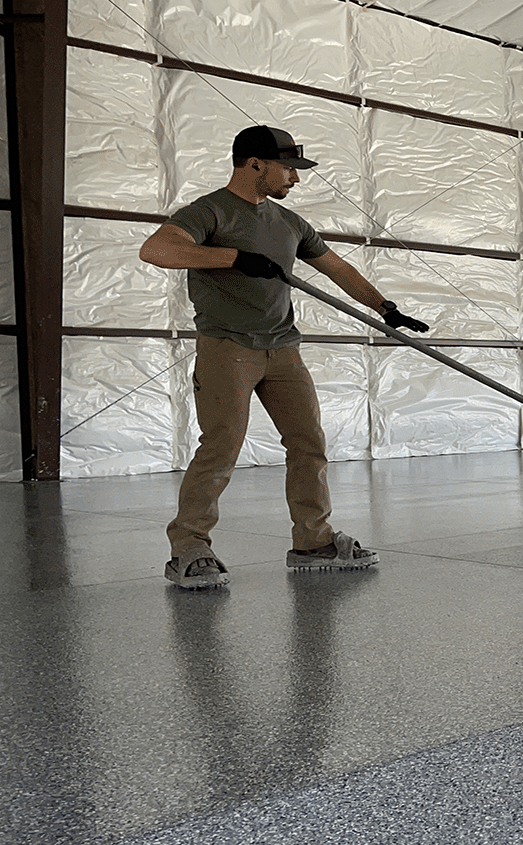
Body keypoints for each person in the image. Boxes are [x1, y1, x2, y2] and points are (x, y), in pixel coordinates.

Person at [140, 125, 430, 589]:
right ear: (255, 164)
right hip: (228, 348)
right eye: (288, 168)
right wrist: (231, 258)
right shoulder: (209, 211)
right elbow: (155, 249)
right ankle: (189, 548)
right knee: (220, 449)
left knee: (308, 443)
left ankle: (313, 541)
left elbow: (336, 266)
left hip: (284, 350)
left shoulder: (290, 223)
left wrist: (384, 307)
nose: (295, 179)